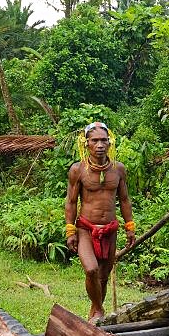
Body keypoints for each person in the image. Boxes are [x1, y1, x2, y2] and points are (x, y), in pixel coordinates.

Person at [65, 122, 136, 323]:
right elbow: (71, 202)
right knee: (91, 270)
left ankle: (96, 315)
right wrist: (70, 230)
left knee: (103, 277)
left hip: (110, 230)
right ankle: (97, 309)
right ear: (86, 143)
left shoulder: (118, 170)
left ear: (110, 143)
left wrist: (129, 226)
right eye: (94, 140)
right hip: (86, 228)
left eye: (104, 140)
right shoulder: (78, 170)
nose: (100, 145)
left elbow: (124, 200)